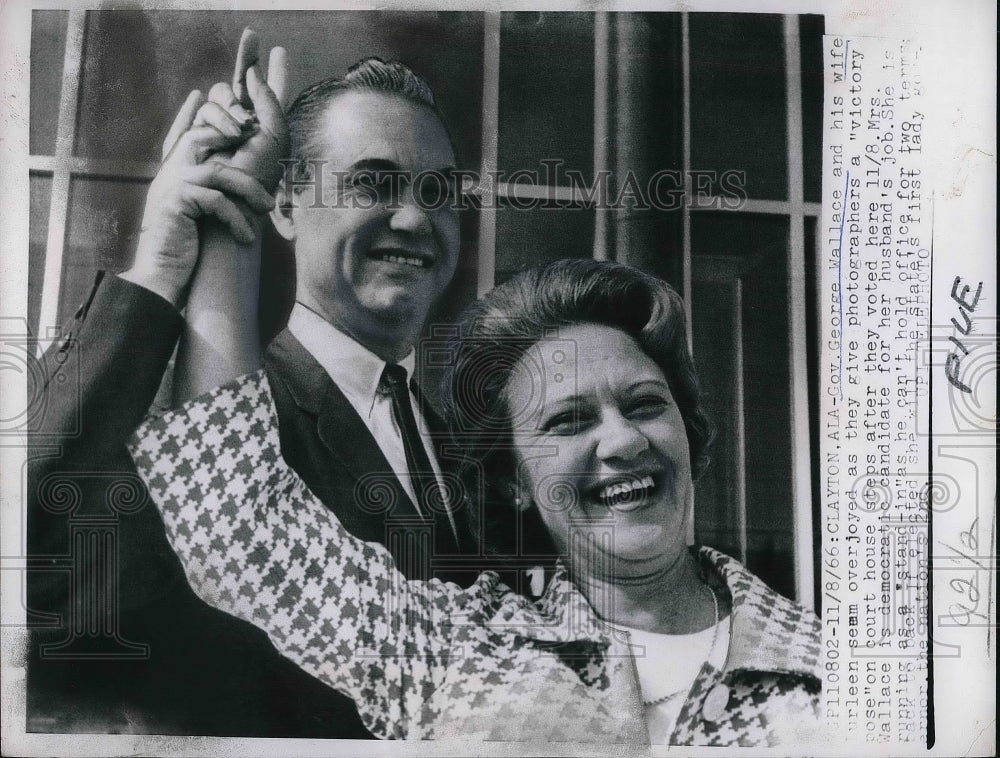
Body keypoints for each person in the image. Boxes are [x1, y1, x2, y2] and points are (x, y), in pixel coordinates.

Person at [129, 256, 824, 745]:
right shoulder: (457, 650)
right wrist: (226, 235)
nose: (621, 441)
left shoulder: (847, 666)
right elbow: (239, 526)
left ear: (686, 430)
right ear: (515, 477)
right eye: (568, 422)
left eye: (645, 405)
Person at [26, 30, 473, 737]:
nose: (417, 219)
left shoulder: (464, 450)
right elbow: (34, 574)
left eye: (439, 193)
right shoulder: (184, 411)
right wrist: (158, 267)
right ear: (286, 207)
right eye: (372, 184)